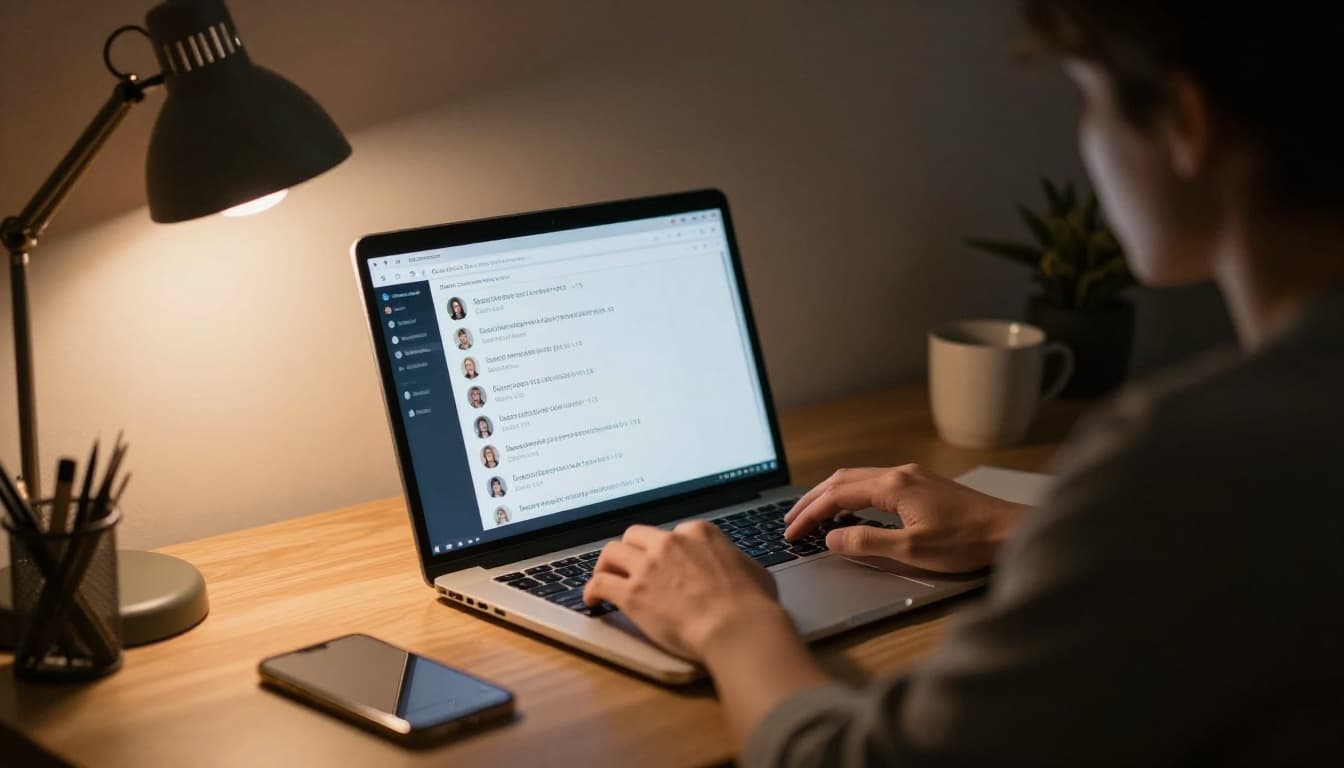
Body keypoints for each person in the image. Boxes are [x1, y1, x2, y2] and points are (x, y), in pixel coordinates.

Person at [581, 3, 1344, 764]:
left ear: (1185, 123)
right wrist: (1016, 530)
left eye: (1088, 101)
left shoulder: (1183, 460)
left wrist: (729, 621)